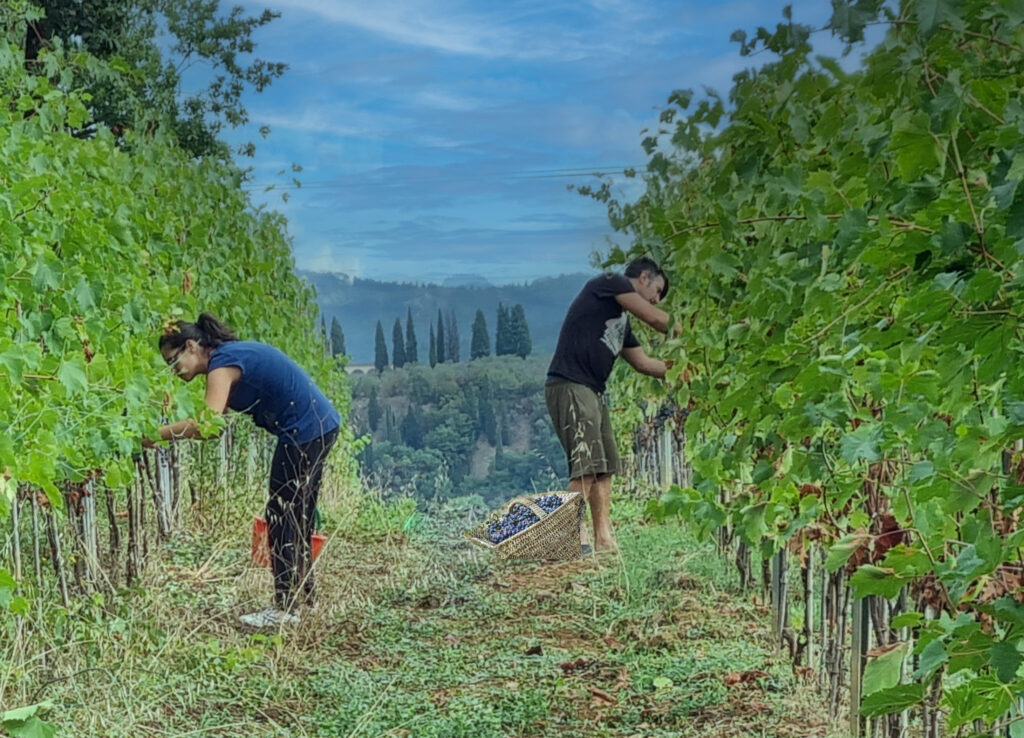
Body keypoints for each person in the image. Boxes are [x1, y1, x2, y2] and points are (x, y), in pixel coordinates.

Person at [150, 313, 340, 627]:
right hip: (320, 425)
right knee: (299, 514)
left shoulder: (221, 365)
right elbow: (215, 426)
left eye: (174, 361)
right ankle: (306, 599)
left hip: (303, 429)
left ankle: (285, 608)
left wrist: (157, 434)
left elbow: (206, 424)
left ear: (191, 346)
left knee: (281, 513)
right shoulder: (228, 357)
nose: (174, 371)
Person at [546, 257, 675, 552]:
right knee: (586, 465)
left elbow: (643, 363)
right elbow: (655, 319)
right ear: (643, 277)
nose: (656, 300)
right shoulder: (609, 282)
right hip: (570, 383)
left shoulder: (620, 321)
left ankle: (604, 539)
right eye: (657, 291)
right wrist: (689, 330)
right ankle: (572, 538)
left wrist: (683, 370)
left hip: (593, 390)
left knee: (603, 468)